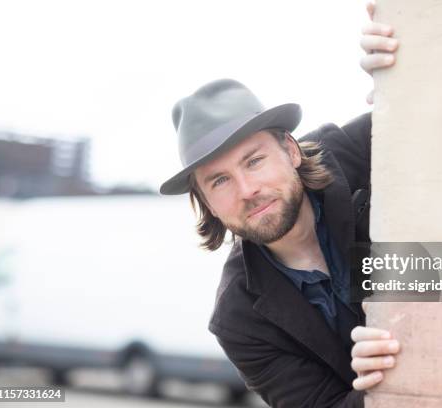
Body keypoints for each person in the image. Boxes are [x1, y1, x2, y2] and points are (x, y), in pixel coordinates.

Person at [160, 2, 399, 406]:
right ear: (206, 204)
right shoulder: (238, 318)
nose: (247, 189)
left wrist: (404, 77)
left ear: (290, 150)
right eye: (220, 181)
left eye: (254, 161)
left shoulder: (358, 153)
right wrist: (381, 386)